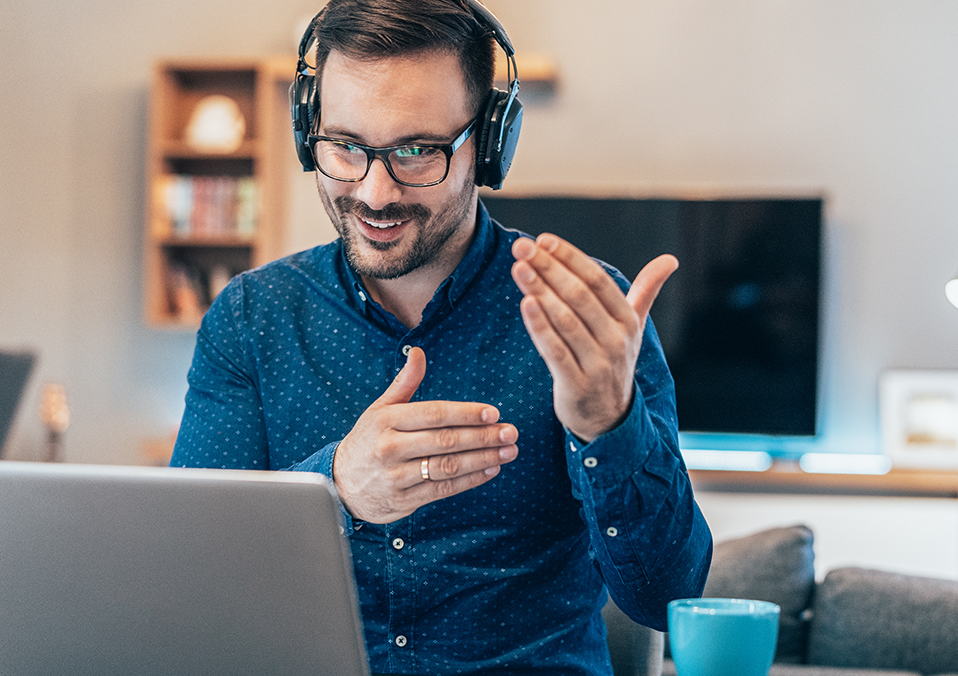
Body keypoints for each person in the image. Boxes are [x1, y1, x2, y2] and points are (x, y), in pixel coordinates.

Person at [170, 1, 712, 673]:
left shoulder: (589, 316)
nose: (372, 192)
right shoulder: (251, 320)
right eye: (344, 146)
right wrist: (333, 489)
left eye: (416, 151)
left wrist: (610, 422)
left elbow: (669, 598)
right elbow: (190, 580)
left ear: (488, 143)